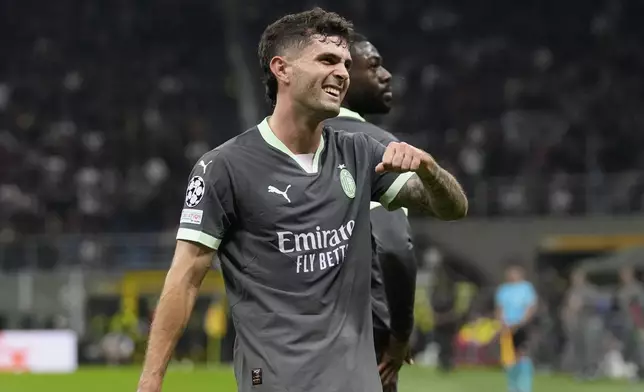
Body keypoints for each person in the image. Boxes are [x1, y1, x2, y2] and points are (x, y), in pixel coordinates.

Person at [136, 8, 468, 392]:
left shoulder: (361, 153)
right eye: (327, 60)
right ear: (282, 69)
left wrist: (430, 171)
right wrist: (151, 379)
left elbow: (453, 208)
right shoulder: (223, 168)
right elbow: (185, 278)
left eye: (345, 62)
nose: (342, 72)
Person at [324, 32, 418, 391]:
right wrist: (400, 334)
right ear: (343, 78)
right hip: (363, 335)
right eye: (375, 65)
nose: (388, 74)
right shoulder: (376, 146)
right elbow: (395, 245)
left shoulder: (286, 144)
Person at [495, 262, 538, 392]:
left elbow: (530, 307)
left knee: (522, 354)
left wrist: (521, 321)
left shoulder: (526, 288)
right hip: (507, 326)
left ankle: (525, 387)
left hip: (521, 325)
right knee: (509, 357)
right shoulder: (503, 289)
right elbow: (499, 308)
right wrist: (501, 322)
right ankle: (512, 386)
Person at [561, 269, 603, 379]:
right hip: (576, 324)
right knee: (579, 347)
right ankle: (582, 369)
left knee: (590, 347)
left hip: (590, 322)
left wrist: (584, 304)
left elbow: (599, 304)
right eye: (573, 277)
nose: (575, 280)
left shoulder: (591, 290)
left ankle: (592, 370)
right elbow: (568, 306)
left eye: (578, 277)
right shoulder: (571, 291)